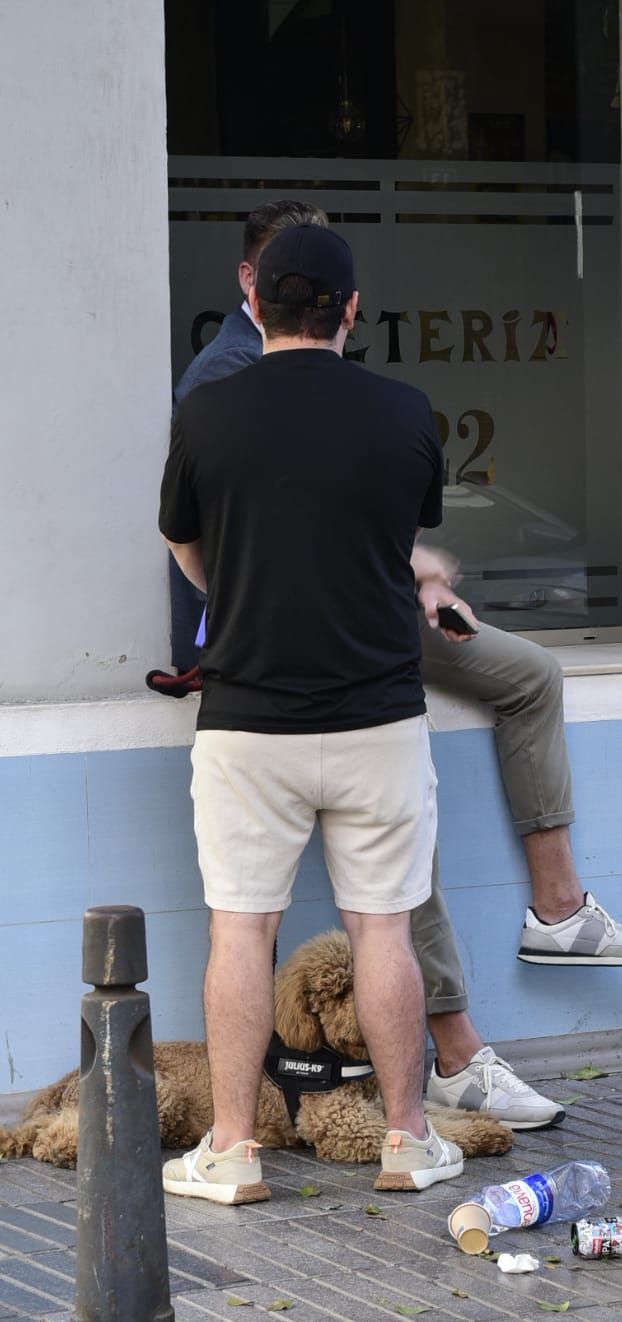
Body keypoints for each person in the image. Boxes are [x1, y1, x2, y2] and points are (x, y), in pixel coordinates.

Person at [168, 201, 622, 1132]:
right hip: (317, 660)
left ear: (266, 295)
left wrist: (416, 578)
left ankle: (555, 914)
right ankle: (436, 1088)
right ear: (347, 307)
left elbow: (225, 533)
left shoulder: (232, 404)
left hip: (319, 657)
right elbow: (272, 535)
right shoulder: (242, 388)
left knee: (523, 681)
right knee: (386, 896)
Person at [158, 224, 467, 1203]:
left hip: (247, 722)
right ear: (349, 308)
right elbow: (391, 539)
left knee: (240, 932)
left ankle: (235, 1151)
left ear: (257, 305)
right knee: (384, 929)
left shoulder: (205, 414)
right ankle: (407, 1142)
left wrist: (234, 592)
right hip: (377, 715)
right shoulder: (405, 412)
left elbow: (184, 544)